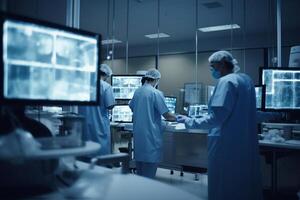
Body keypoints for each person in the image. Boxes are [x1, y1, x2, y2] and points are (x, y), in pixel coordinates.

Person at [177, 51, 262, 200]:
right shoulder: (246, 80)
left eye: (212, 66)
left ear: (222, 64)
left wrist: (188, 121)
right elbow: (249, 113)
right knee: (243, 186)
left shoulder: (226, 82)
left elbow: (216, 119)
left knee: (224, 186)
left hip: (226, 145)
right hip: (243, 145)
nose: (212, 70)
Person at [129, 68, 176, 179]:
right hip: (151, 138)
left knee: (140, 174)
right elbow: (167, 115)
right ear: (156, 79)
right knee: (149, 175)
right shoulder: (156, 93)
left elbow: (132, 107)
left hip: (139, 139)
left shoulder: (137, 92)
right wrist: (181, 117)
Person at [78, 64, 115, 155]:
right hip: (100, 124)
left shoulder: (84, 86)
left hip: (85, 124)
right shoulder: (106, 86)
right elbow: (110, 105)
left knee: (87, 150)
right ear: (106, 75)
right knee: (100, 152)